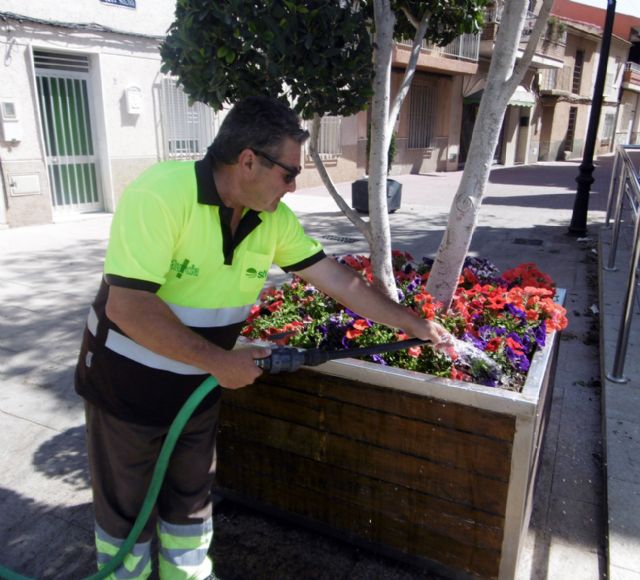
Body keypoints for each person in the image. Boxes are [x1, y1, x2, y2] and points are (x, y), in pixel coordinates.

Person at [75, 95, 452, 579]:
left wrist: (413, 324)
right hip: (125, 391)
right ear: (248, 159)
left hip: (197, 391)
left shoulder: (270, 219)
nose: (293, 187)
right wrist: (219, 361)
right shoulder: (161, 194)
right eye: (289, 173)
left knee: (189, 514)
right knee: (126, 523)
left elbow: (338, 281)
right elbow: (127, 306)